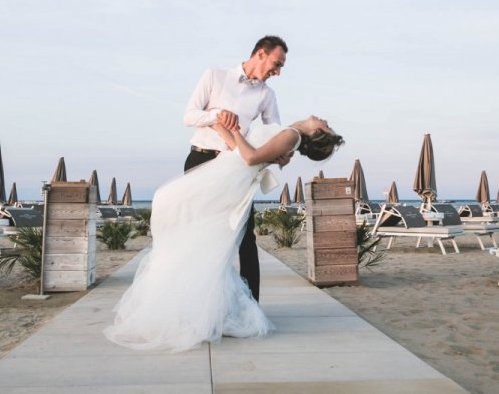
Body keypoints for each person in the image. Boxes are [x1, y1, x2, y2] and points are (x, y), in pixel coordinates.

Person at [104, 115, 343, 352]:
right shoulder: (289, 134)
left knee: (169, 202)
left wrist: (236, 130)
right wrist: (220, 127)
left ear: (318, 134)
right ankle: (193, 305)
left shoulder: (292, 136)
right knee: (189, 230)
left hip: (226, 180)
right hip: (223, 172)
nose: (324, 119)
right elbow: (236, 150)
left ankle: (187, 304)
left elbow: (249, 158)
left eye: (327, 126)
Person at [182, 35, 289, 302]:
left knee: (245, 236)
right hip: (201, 160)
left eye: (281, 67)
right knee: (199, 234)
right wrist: (216, 116)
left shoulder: (267, 95)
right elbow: (189, 115)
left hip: (236, 167)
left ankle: (251, 305)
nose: (277, 72)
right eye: (276, 64)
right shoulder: (214, 75)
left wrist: (281, 153)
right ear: (260, 54)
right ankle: (199, 301)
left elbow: (273, 133)